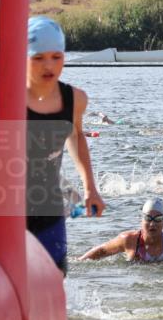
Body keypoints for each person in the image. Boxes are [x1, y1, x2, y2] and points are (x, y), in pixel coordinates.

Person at [26, 16, 105, 275]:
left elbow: (77, 136)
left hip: (48, 204)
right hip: (4, 206)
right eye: (38, 58)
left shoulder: (75, 99)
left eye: (56, 57)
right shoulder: (4, 96)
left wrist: (90, 188)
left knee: (55, 277)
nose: (48, 65)